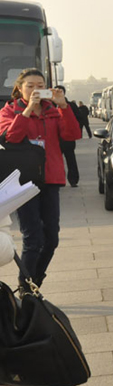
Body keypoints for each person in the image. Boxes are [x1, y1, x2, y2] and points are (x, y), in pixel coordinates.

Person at [0, 68, 81, 294]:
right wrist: (27, 111)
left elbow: (72, 135)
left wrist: (64, 106)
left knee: (52, 238)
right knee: (33, 237)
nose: (36, 90)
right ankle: (26, 287)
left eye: (40, 85)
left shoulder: (53, 112)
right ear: (19, 89)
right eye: (30, 86)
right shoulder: (9, 111)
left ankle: (34, 280)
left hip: (50, 179)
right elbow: (11, 137)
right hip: (23, 182)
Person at [55, 86, 81, 187]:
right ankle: (59, 180)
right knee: (56, 160)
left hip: (68, 139)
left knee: (71, 159)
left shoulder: (71, 105)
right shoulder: (50, 105)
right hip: (56, 139)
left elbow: (79, 117)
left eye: (59, 91)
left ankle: (73, 180)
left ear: (64, 93)